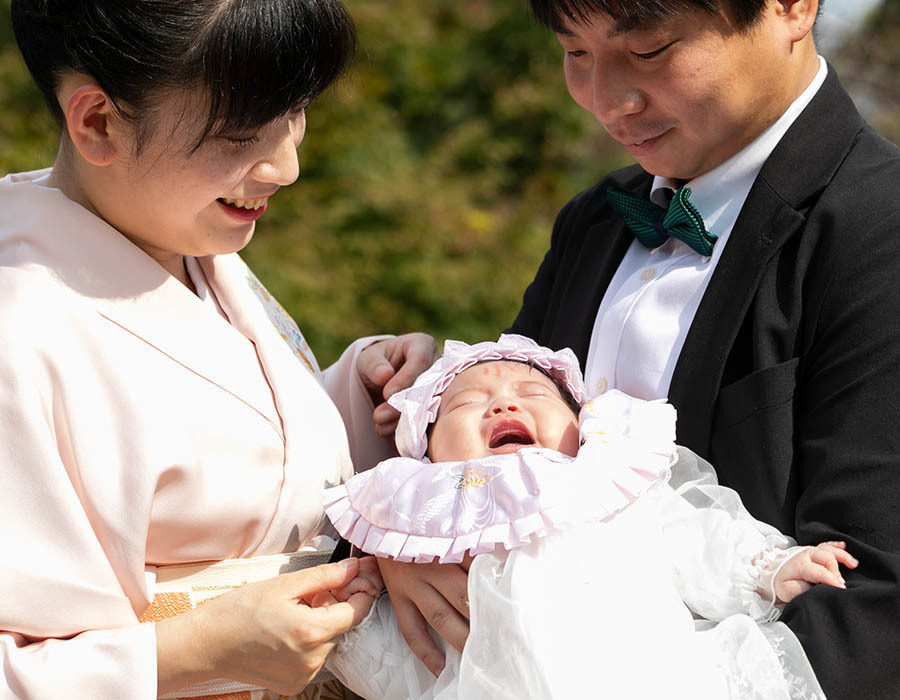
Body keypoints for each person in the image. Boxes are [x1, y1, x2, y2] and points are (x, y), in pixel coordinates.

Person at [376, 2, 900, 698]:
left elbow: (871, 591)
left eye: (649, 51)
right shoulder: (595, 220)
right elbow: (488, 441)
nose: (607, 100)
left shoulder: (879, 225)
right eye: (576, 55)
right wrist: (402, 545)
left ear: (791, 8)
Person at [0, 2, 436, 698]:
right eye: (240, 135)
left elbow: (257, 476)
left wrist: (361, 391)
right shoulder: (16, 322)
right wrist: (190, 650)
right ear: (99, 122)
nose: (286, 165)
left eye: (295, 111)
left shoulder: (180, 238)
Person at [322, 335, 856, 699]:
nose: (504, 406)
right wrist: (351, 627)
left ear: (582, 424)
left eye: (532, 394)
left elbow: (692, 537)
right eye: (465, 404)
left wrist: (768, 568)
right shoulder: (429, 531)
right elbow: (415, 650)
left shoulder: (605, 490)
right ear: (427, 453)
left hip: (650, 680)